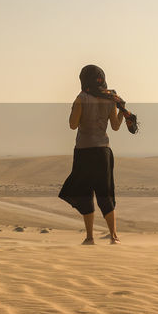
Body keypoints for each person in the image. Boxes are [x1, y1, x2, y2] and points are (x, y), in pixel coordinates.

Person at [58, 64, 129, 244]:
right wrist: (122, 112)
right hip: (103, 152)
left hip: (84, 151)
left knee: (84, 192)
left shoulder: (81, 98)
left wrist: (74, 108)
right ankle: (114, 237)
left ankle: (89, 237)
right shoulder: (110, 99)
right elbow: (115, 126)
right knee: (106, 193)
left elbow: (73, 125)